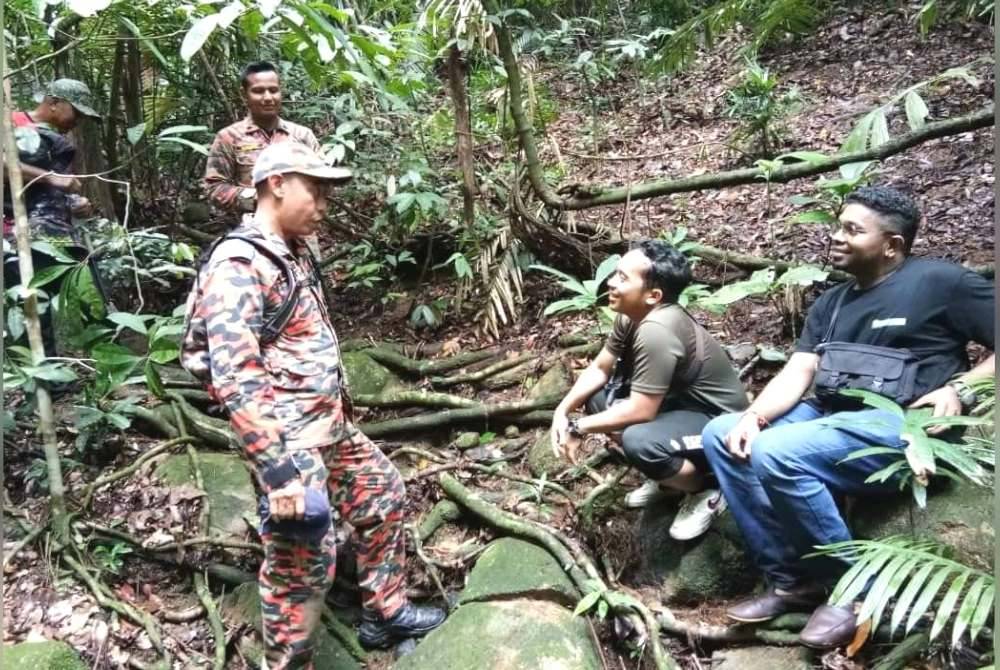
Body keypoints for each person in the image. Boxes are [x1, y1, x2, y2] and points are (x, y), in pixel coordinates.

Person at [181, 142, 444, 669]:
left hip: (327, 426)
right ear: (276, 184)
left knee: (383, 494)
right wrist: (278, 473)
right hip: (288, 442)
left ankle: (384, 611)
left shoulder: (293, 251)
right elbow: (235, 376)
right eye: (315, 190)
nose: (324, 204)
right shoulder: (239, 264)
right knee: (302, 564)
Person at [700, 186, 995, 649]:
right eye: (838, 226)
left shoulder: (943, 283)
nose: (836, 236)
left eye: (852, 230)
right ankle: (793, 580)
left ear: (892, 245)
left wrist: (960, 388)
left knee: (777, 450)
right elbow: (800, 371)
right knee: (722, 434)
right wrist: (754, 416)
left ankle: (854, 591)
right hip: (830, 414)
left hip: (905, 424)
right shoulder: (832, 302)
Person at [550, 240, 749, 540]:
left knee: (639, 441)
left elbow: (641, 411)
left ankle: (705, 488)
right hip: (680, 408)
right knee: (597, 399)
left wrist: (578, 428)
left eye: (622, 278)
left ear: (653, 295)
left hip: (720, 423)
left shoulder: (657, 330)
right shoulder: (632, 316)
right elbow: (601, 368)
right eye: (615, 274)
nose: (611, 283)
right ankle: (670, 479)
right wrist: (562, 410)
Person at [3, 79, 101, 354]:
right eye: (76, 112)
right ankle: (37, 374)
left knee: (80, 299)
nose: (78, 121)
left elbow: (51, 190)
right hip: (15, 233)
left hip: (54, 235)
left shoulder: (57, 142)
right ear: (54, 103)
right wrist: (50, 177)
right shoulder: (12, 123)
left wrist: (76, 204)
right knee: (31, 310)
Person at [203, 62, 323, 253]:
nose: (268, 97)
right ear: (245, 95)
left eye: (273, 90)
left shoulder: (302, 136)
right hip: (254, 239)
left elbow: (323, 182)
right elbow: (214, 187)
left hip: (302, 241)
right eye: (258, 91)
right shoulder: (229, 137)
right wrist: (257, 197)